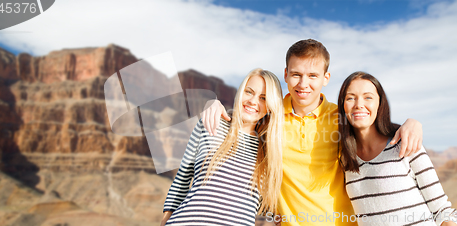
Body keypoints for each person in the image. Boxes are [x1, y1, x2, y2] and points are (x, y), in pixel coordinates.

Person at [202, 39, 424, 226]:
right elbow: (240, 121)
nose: (303, 83)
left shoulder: (342, 119)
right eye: (296, 74)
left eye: (313, 76)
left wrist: (412, 123)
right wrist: (213, 104)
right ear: (286, 75)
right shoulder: (270, 116)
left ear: (325, 78)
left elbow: (376, 129)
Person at [161, 68, 284, 225]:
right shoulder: (212, 124)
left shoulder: (270, 151)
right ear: (240, 92)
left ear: (271, 106)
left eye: (263, 98)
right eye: (249, 92)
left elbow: (275, 209)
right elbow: (181, 182)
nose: (253, 101)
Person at [338, 71, 457, 226]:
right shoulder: (344, 157)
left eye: (368, 97)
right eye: (350, 98)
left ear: (380, 103)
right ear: (342, 105)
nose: (359, 104)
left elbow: (442, 210)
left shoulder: (406, 143)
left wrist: (413, 122)